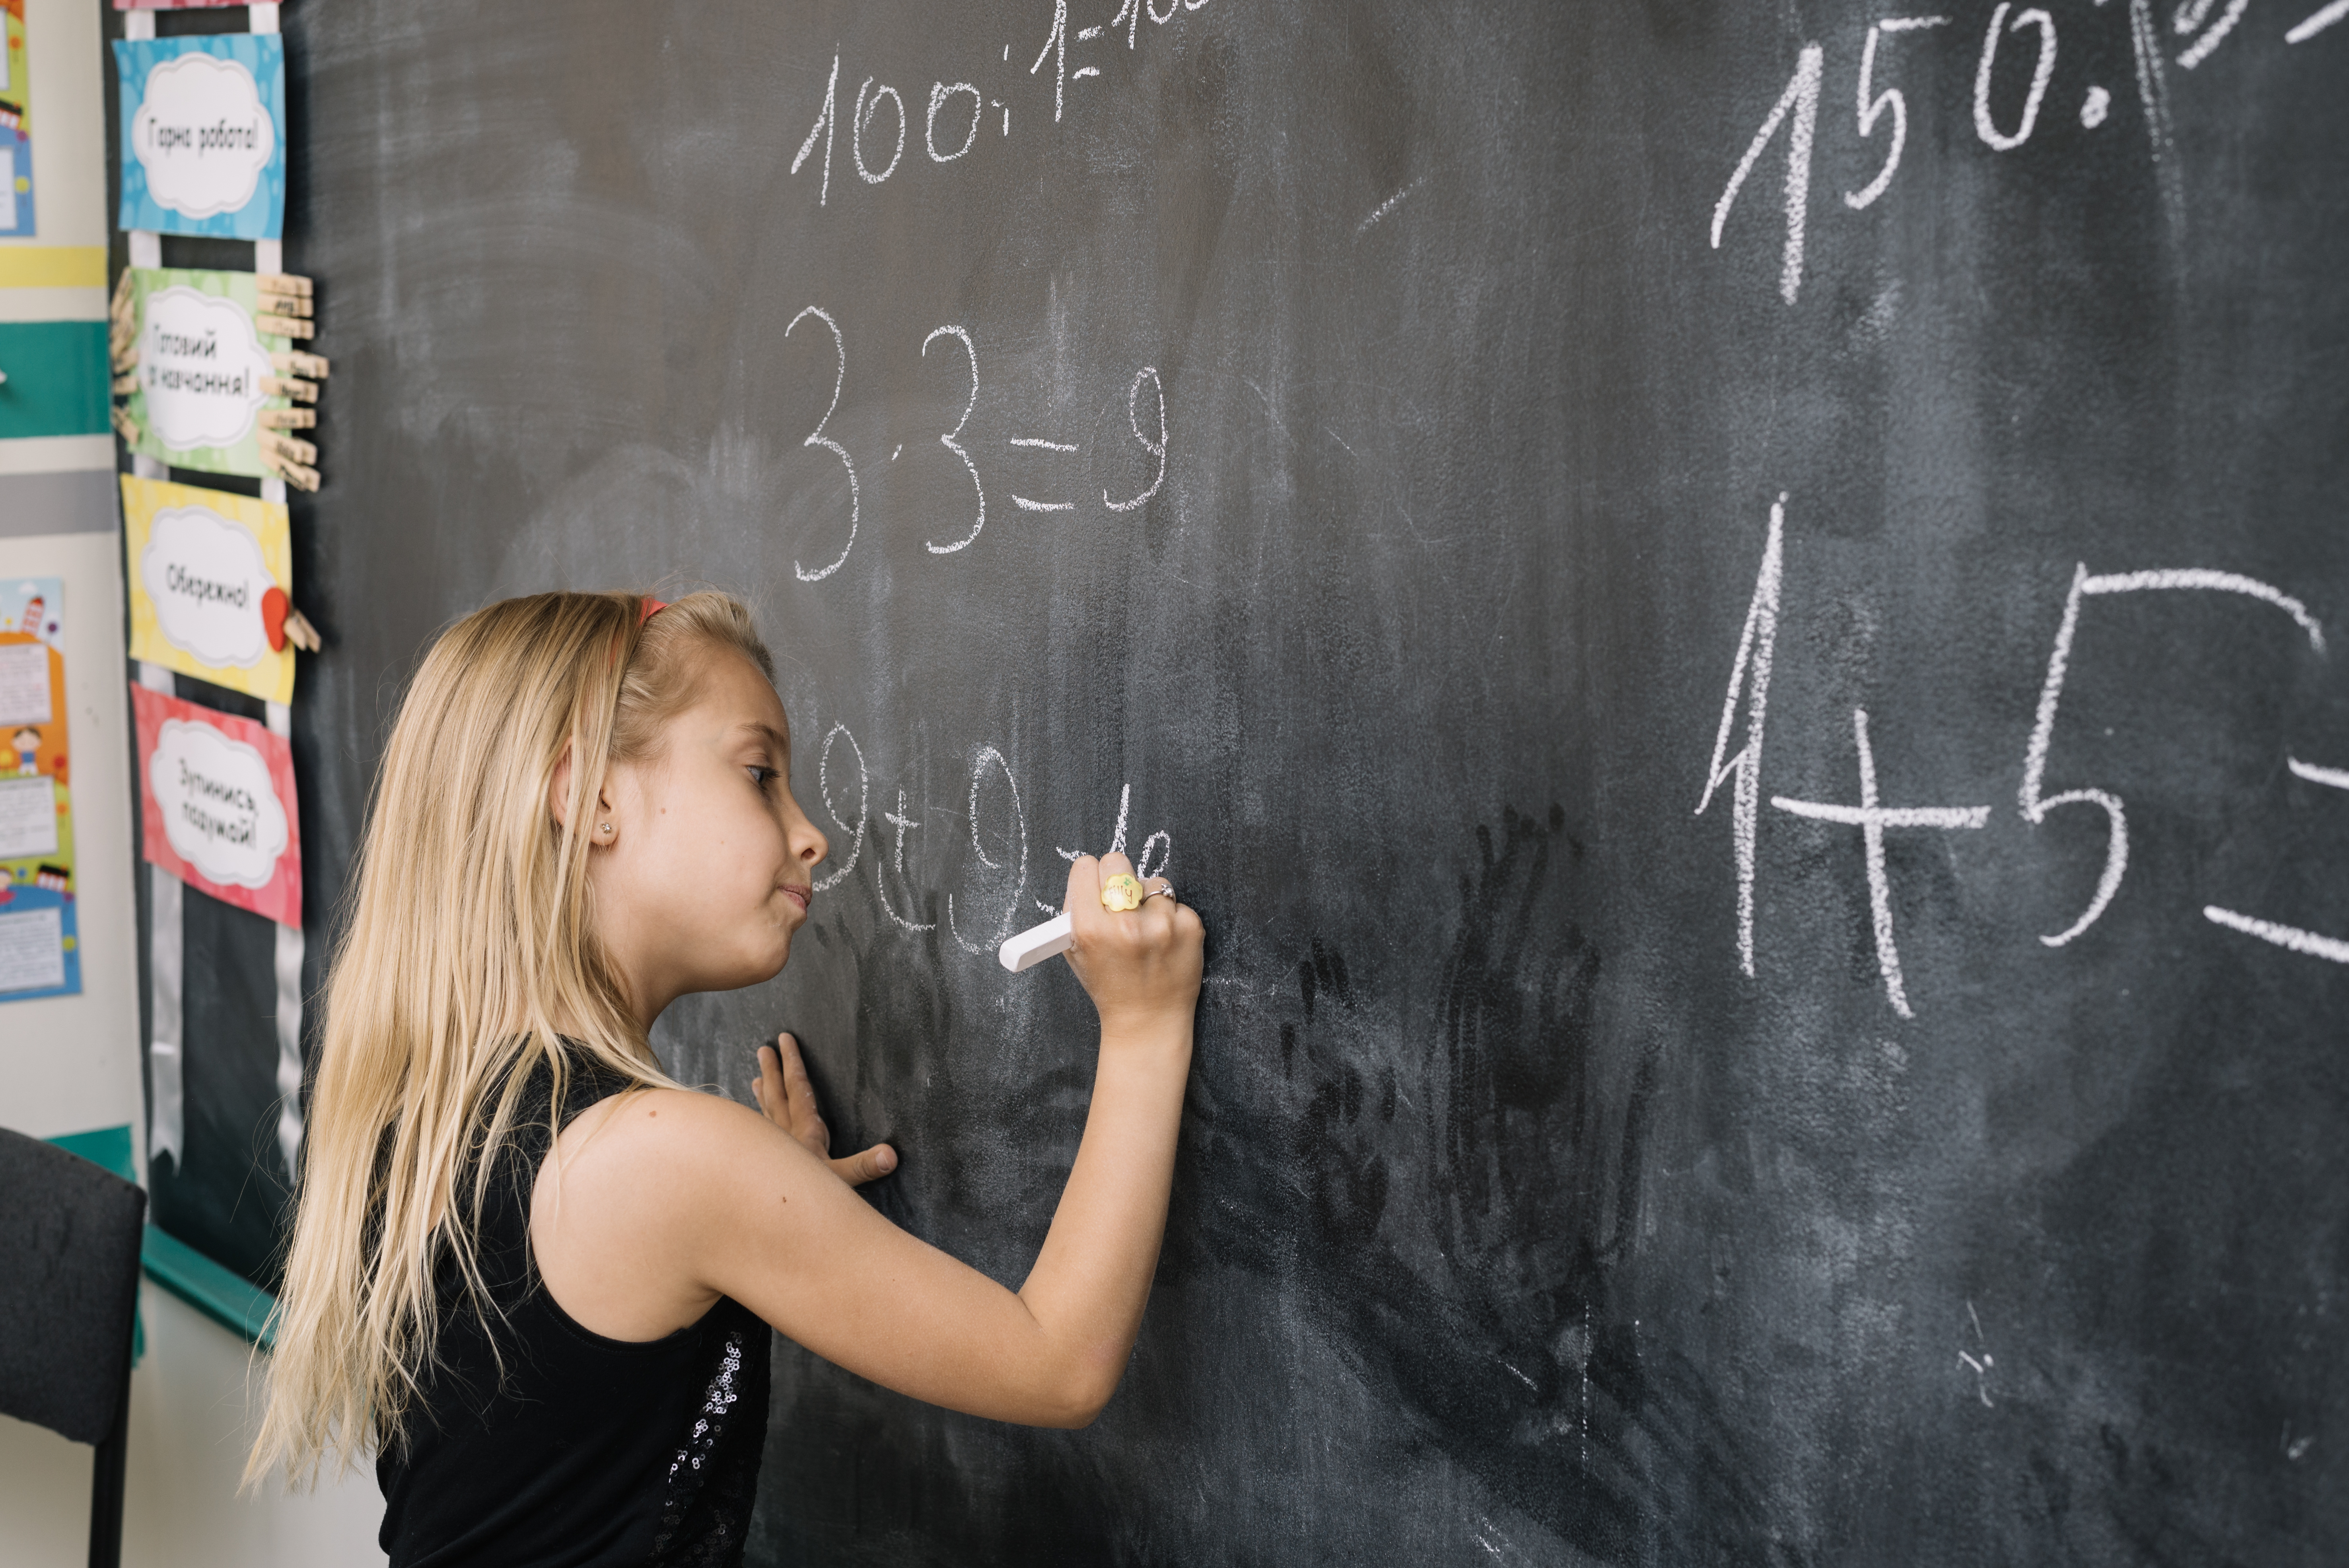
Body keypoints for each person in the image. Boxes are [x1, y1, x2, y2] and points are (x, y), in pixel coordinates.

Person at [247, 591, 1204, 1567]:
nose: (810, 834)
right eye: (759, 774)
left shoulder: (437, 1112)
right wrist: (1145, 1025)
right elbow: (1059, 1364)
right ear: (591, 797)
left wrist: (772, 1204)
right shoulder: (661, 1162)